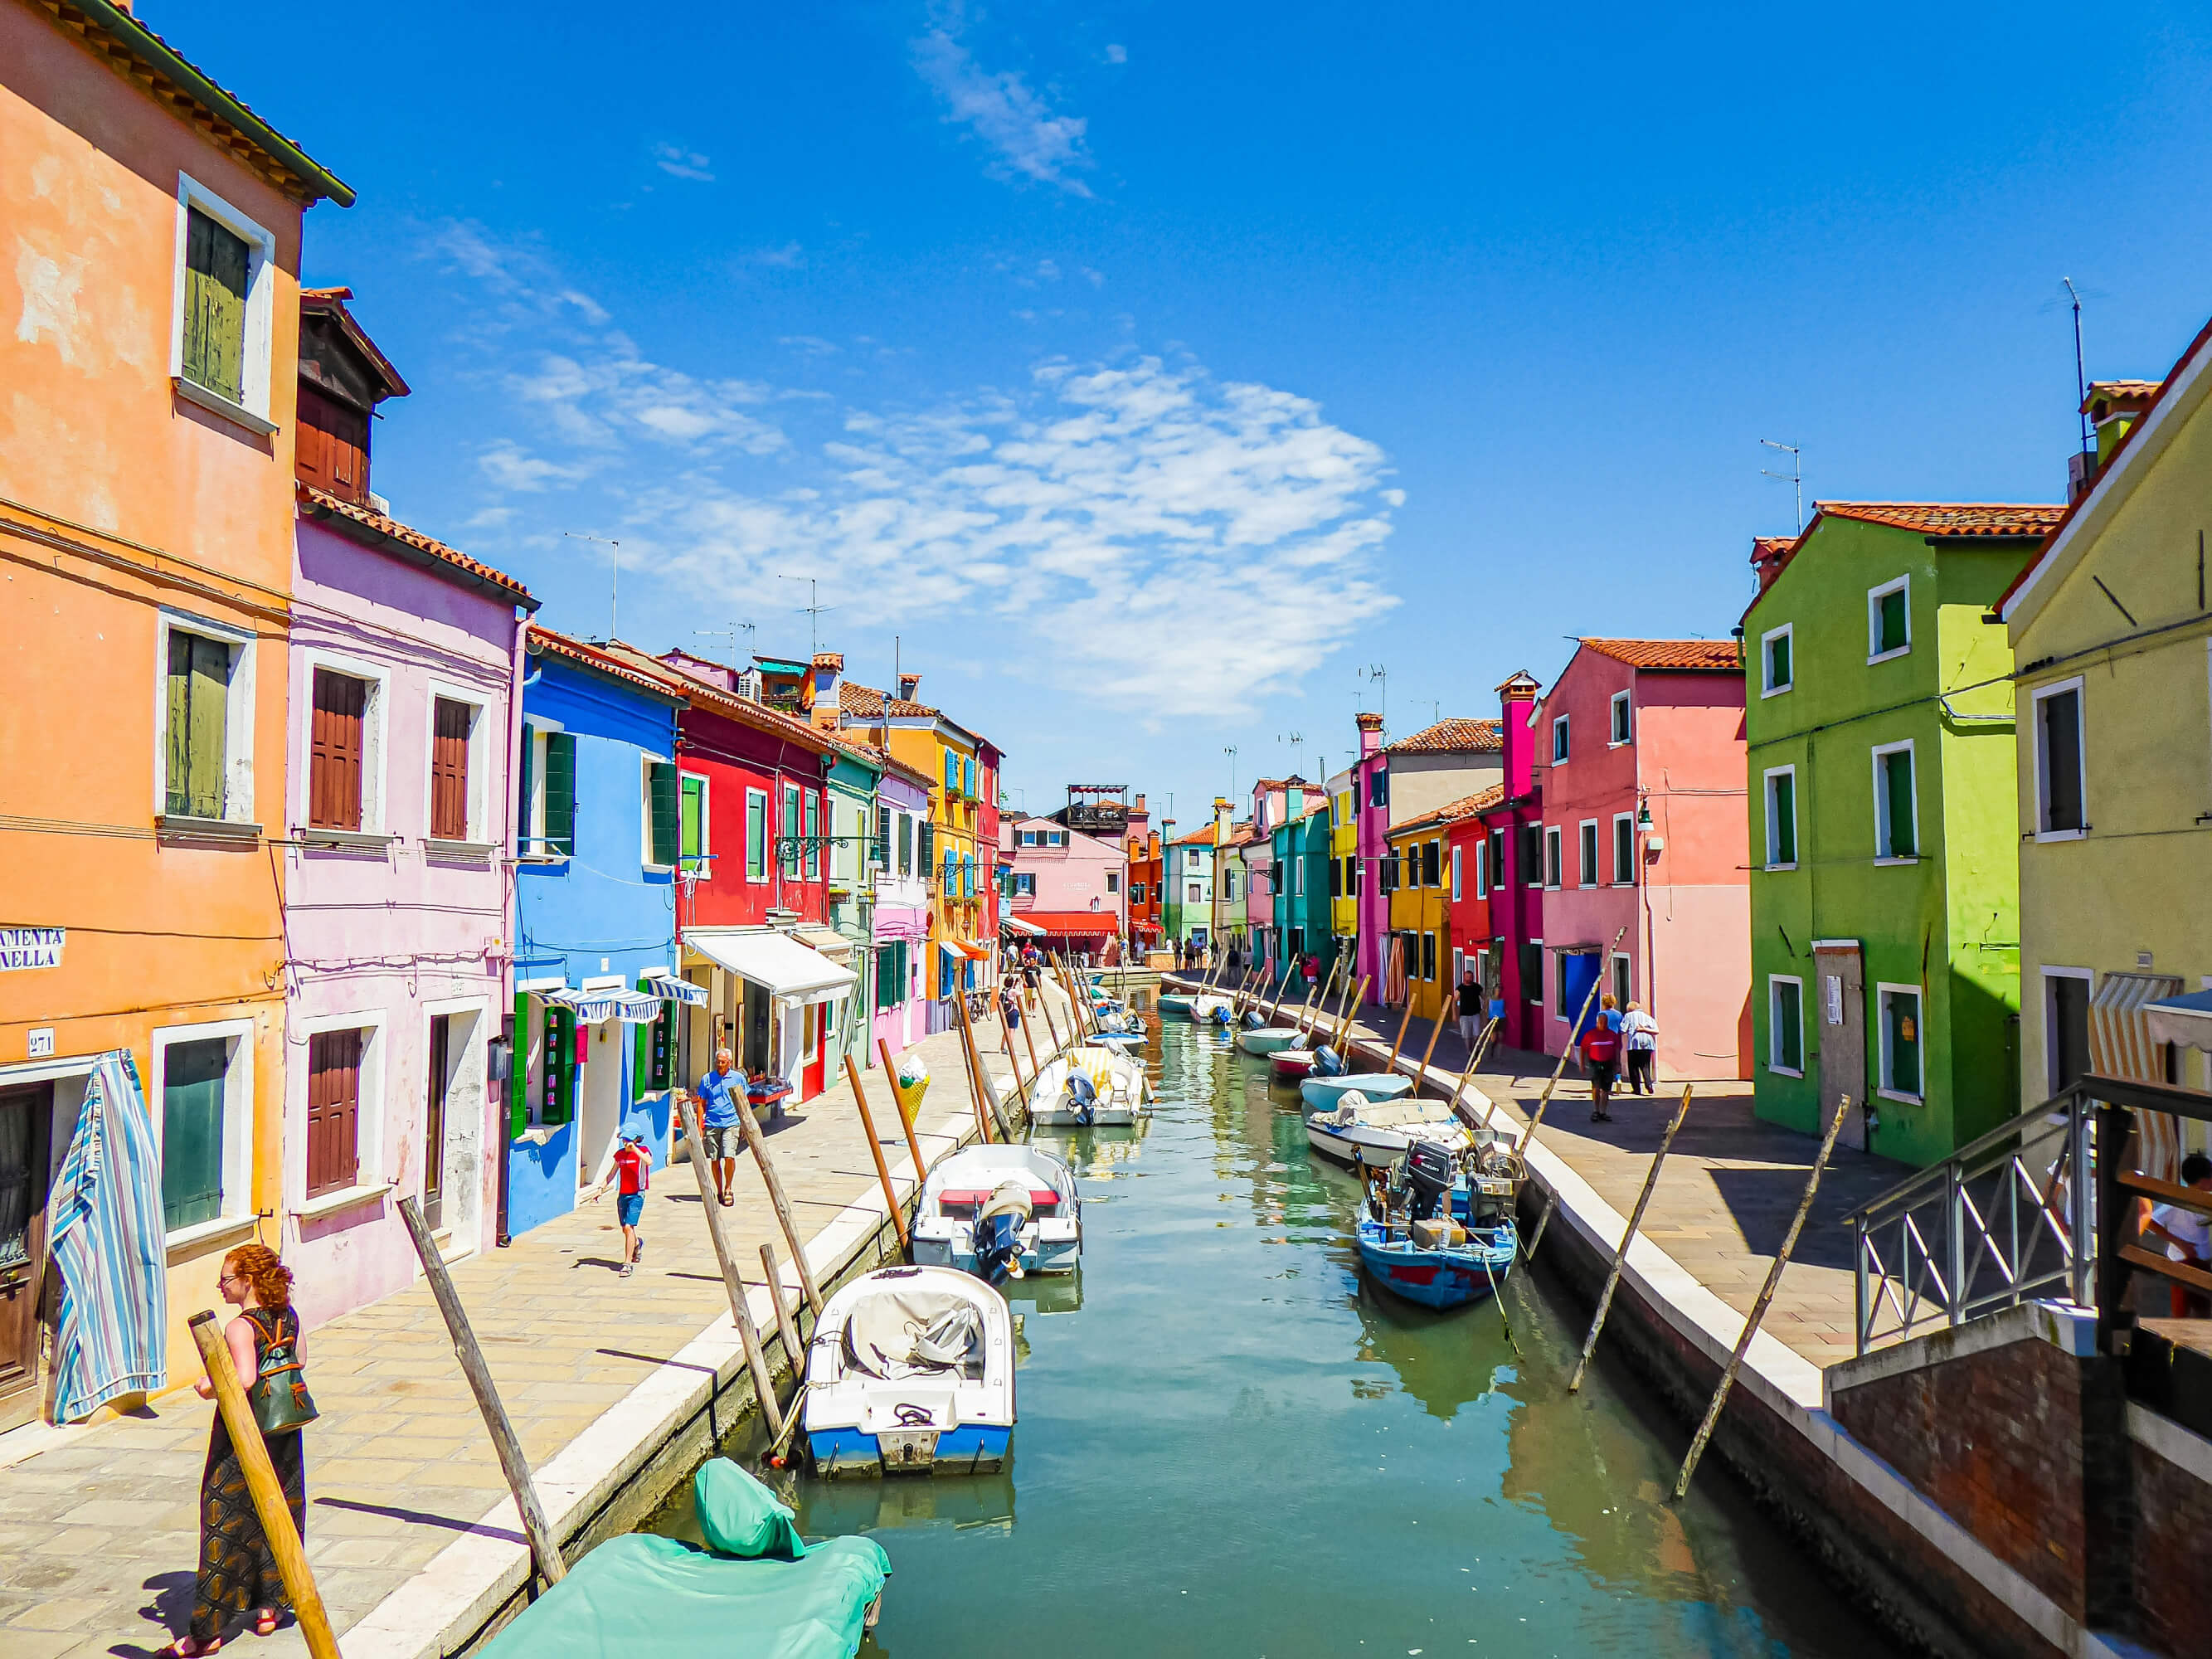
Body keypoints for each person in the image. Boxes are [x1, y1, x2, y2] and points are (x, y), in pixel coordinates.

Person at [171, 1245, 306, 1657]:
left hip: (245, 1433)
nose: (221, 1285)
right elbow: (300, 1360)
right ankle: (271, 1608)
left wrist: (207, 1385)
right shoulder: (289, 1315)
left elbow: (243, 1378)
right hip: (284, 1429)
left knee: (223, 1518)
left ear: (248, 1281)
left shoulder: (240, 1326)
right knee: (278, 1510)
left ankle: (207, 1631)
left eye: (227, 1278)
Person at [2145, 1153, 2212, 1318]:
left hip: (2204, 1259)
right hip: (2181, 1260)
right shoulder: (2177, 1202)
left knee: (2203, 1308)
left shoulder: (2207, 1200)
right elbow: (2149, 1221)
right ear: (2202, 1180)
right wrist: (2179, 1242)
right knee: (2182, 1308)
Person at [588, 1130, 653, 1277]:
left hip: (637, 1194)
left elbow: (649, 1162)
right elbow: (612, 1174)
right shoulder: (619, 1155)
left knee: (629, 1228)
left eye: (628, 1139)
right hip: (623, 1195)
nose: (625, 1142)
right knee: (625, 1229)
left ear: (636, 1139)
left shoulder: (643, 1151)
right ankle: (637, 1244)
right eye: (623, 1140)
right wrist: (600, 1189)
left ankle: (627, 1264)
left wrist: (634, 1149)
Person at [694, 1046, 744, 1206]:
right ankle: (720, 1190)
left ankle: (729, 1188)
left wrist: (744, 1124)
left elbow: (743, 1103)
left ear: (729, 1063)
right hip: (712, 1123)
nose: (720, 1065)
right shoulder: (707, 1079)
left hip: (732, 1122)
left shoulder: (738, 1078)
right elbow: (701, 1103)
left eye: (723, 1062)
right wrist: (699, 1125)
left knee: (729, 1155)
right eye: (718, 1062)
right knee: (715, 1159)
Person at [1580, 1013, 1621, 1122]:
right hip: (1595, 1063)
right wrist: (1582, 1064)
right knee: (1596, 1087)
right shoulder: (1590, 1034)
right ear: (1597, 1022)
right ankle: (1596, 1110)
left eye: (1605, 1022)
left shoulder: (1612, 1034)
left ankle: (1603, 1112)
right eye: (1601, 1022)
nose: (1603, 1024)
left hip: (1609, 1064)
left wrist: (1618, 1064)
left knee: (1606, 1090)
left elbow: (1617, 1049)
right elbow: (1583, 1049)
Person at [1620, 1000, 1659, 1094]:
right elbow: (1656, 1031)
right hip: (1648, 1044)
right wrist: (1644, 1029)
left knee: (1633, 1067)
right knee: (1645, 1066)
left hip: (1634, 1044)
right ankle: (1648, 1084)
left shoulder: (1629, 1016)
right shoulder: (1648, 1017)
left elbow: (1623, 1029)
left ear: (1630, 1009)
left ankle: (1637, 1089)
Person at [1456, 971, 1485, 1048]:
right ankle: (1469, 1051)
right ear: (1464, 977)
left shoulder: (1477, 987)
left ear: (1473, 977)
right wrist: (1454, 1014)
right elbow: (1454, 1001)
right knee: (1467, 1035)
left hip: (1476, 1014)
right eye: (1467, 977)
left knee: (1477, 1034)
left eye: (1470, 977)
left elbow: (1484, 998)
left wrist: (1484, 1009)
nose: (1469, 979)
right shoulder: (1460, 988)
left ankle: (1475, 1049)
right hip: (1464, 1015)